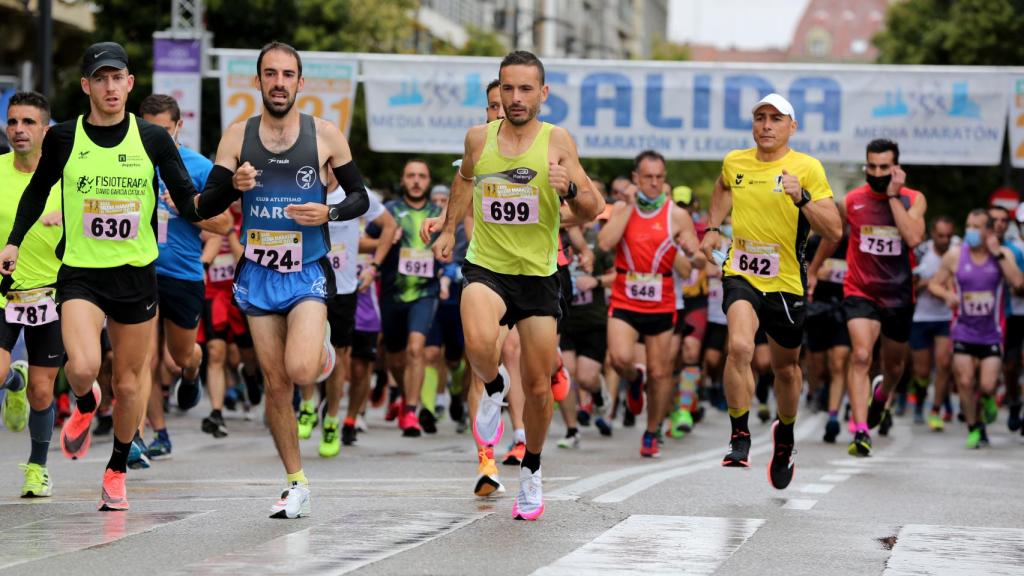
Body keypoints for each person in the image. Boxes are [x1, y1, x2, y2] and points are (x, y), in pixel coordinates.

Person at [0, 42, 228, 511]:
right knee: (82, 368)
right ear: (87, 86)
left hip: (136, 274)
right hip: (81, 273)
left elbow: (188, 202)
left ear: (130, 84)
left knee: (128, 385)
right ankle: (85, 402)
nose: (109, 87)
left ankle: (117, 467)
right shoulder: (63, 137)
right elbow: (37, 192)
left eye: (117, 78)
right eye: (99, 78)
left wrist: (227, 191)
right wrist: (14, 241)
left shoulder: (153, 139)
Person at [199, 41, 369, 518]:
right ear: (258, 82)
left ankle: (322, 350)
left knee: (299, 370)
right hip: (258, 272)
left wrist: (330, 211)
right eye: (270, 74)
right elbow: (208, 203)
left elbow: (359, 196)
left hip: (307, 270)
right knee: (275, 384)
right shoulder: (237, 136)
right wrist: (232, 186)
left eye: (287, 74)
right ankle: (296, 483)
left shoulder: (325, 135)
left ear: (300, 82)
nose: (278, 82)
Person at [434, 51, 604, 520]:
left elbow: (593, 207)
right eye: (508, 89)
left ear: (543, 94)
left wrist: (569, 187)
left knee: (538, 384)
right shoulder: (477, 138)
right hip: (487, 265)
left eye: (526, 89)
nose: (515, 98)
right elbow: (464, 181)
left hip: (538, 276)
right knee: (477, 341)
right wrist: (449, 229)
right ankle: (492, 386)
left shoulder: (557, 141)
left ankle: (531, 470)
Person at [699, 93, 841, 489]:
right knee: (740, 348)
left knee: (786, 369)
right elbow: (723, 187)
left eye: (775, 119)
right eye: (760, 117)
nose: (766, 125)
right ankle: (739, 434)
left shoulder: (807, 168)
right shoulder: (735, 161)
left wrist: (804, 198)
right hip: (741, 271)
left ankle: (786, 436)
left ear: (790, 126)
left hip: (787, 281)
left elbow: (833, 229)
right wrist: (713, 227)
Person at [814, 139, 926, 457]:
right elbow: (832, 235)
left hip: (898, 296)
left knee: (894, 366)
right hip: (860, 290)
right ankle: (861, 431)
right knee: (861, 356)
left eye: (883, 167)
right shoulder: (852, 201)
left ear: (896, 168)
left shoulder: (914, 200)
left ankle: (882, 395)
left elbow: (914, 237)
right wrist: (813, 270)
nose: (876, 173)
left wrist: (892, 196)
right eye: (871, 166)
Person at [138, 94, 232, 455]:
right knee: (142, 359)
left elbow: (224, 223)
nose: (157, 138)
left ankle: (193, 369)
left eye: (163, 130)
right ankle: (150, 435)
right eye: (150, 130)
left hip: (183, 273)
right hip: (140, 270)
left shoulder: (198, 167)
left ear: (178, 127)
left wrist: (189, 207)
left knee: (179, 356)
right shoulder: (130, 163)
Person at [598, 150, 698, 458]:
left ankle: (652, 430)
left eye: (659, 177)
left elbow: (695, 256)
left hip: (661, 300)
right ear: (636, 179)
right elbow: (604, 244)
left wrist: (690, 250)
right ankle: (632, 378)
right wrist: (627, 206)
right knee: (618, 358)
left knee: (659, 372)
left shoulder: (675, 215)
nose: (654, 183)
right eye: (648, 177)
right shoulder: (623, 209)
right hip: (625, 295)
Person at [0, 91, 64, 497]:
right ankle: (12, 382)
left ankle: (38, 468)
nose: (19, 130)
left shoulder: (66, 178)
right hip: (4, 293)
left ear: (46, 129)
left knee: (44, 390)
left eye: (28, 122)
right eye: (12, 122)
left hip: (52, 296)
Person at [928, 209, 1023, 448]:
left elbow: (1018, 282)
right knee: (965, 380)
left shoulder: (1001, 255)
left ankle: (989, 399)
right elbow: (934, 284)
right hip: (963, 330)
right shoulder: (955, 255)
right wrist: (947, 294)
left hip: (991, 332)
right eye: (968, 226)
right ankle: (973, 426)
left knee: (988, 385)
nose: (970, 231)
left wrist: (997, 255)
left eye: (976, 227)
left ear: (989, 231)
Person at [319, 172, 394, 456]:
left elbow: (390, 228)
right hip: (316, 286)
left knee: (357, 362)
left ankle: (345, 419)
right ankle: (314, 406)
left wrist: (374, 265)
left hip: (356, 292)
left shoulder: (359, 196)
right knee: (315, 355)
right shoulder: (304, 188)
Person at [375, 159, 442, 437]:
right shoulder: (389, 212)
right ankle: (404, 396)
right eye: (411, 175)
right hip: (392, 292)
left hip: (425, 292)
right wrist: (387, 240)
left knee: (417, 349)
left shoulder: (439, 213)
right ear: (403, 180)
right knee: (396, 359)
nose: (416, 180)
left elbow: (454, 244)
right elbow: (363, 242)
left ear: (428, 181)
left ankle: (411, 411)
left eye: (422, 176)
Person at [908, 216, 956, 431]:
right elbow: (911, 288)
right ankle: (919, 402)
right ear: (932, 234)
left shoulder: (957, 254)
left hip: (945, 318)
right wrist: (930, 283)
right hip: (921, 317)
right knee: (922, 371)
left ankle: (936, 410)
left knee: (944, 364)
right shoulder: (922, 253)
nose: (944, 240)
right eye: (940, 236)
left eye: (948, 236)